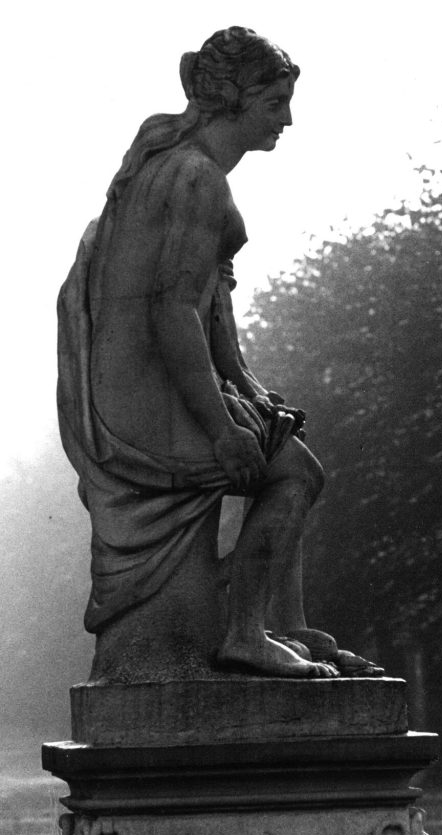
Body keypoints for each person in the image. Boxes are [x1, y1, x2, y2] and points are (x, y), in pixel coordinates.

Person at [58, 27, 350, 679]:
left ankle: (274, 625)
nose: (288, 118)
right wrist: (223, 431)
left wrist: (249, 390)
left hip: (145, 380)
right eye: (274, 102)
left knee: (279, 439)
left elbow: (210, 304)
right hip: (141, 398)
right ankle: (246, 634)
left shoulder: (187, 168)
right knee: (295, 473)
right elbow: (171, 311)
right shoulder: (194, 176)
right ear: (233, 100)